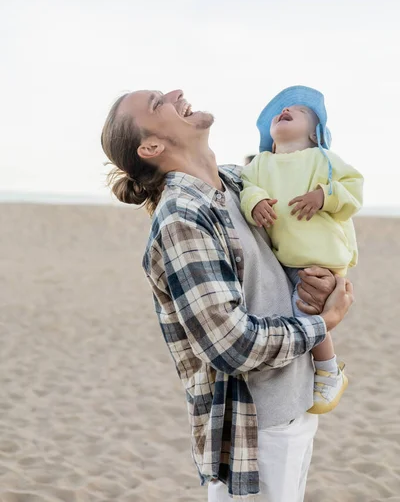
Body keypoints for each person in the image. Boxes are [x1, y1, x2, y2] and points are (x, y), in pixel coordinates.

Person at [101, 89, 354, 502]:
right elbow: (230, 344)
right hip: (255, 434)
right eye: (157, 103)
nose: (175, 93)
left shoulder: (241, 182)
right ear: (151, 146)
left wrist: (322, 282)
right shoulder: (182, 217)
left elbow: (305, 248)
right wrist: (323, 323)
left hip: (297, 406)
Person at [241, 86, 363, 415]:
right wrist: (255, 203)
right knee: (291, 314)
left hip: (322, 257)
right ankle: (306, 374)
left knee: (309, 311)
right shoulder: (260, 164)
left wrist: (324, 195)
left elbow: (353, 187)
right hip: (285, 258)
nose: (286, 111)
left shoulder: (323, 159)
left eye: (300, 110)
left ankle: (329, 371)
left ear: (315, 132)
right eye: (280, 112)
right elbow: (247, 188)